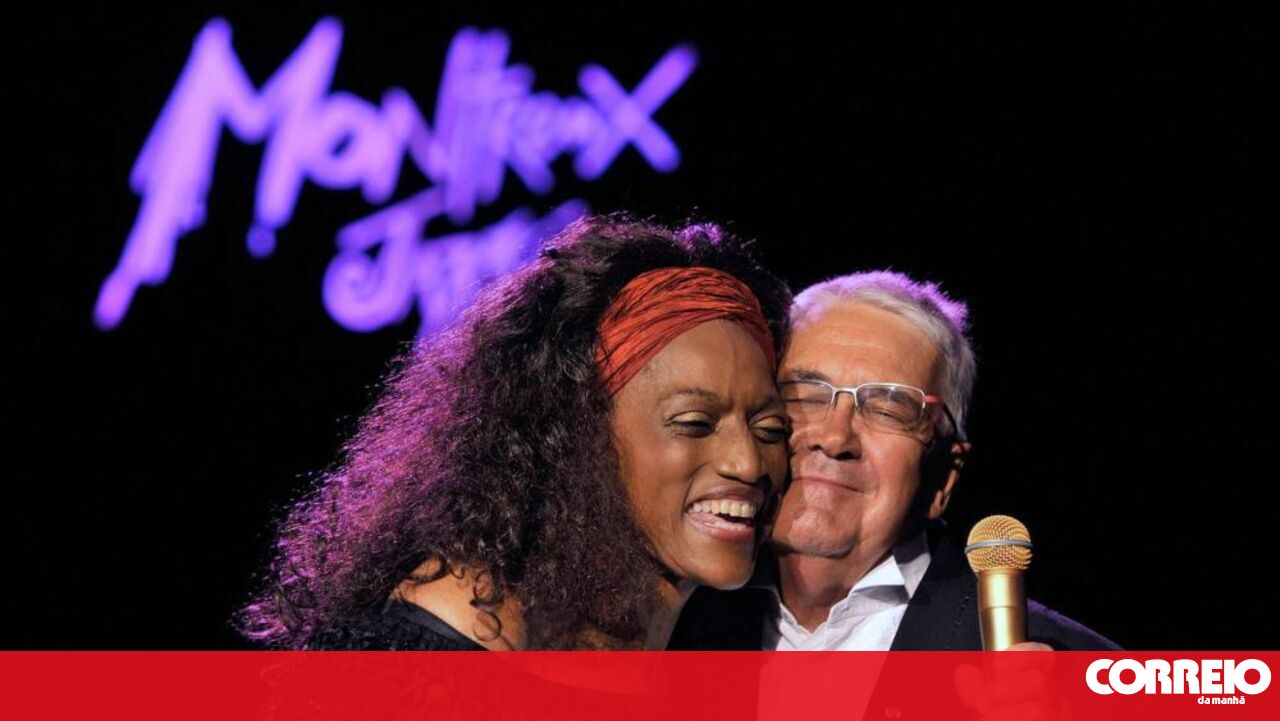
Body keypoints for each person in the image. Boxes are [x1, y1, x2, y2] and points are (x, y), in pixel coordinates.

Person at [239, 214, 793, 650]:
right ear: (577, 433)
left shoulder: (721, 640)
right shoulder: (438, 645)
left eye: (769, 429)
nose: (747, 462)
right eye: (694, 424)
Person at [671, 270, 1118, 650]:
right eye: (803, 395)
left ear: (944, 480)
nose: (834, 438)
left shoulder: (1071, 670)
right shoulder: (672, 623)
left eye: (887, 409)